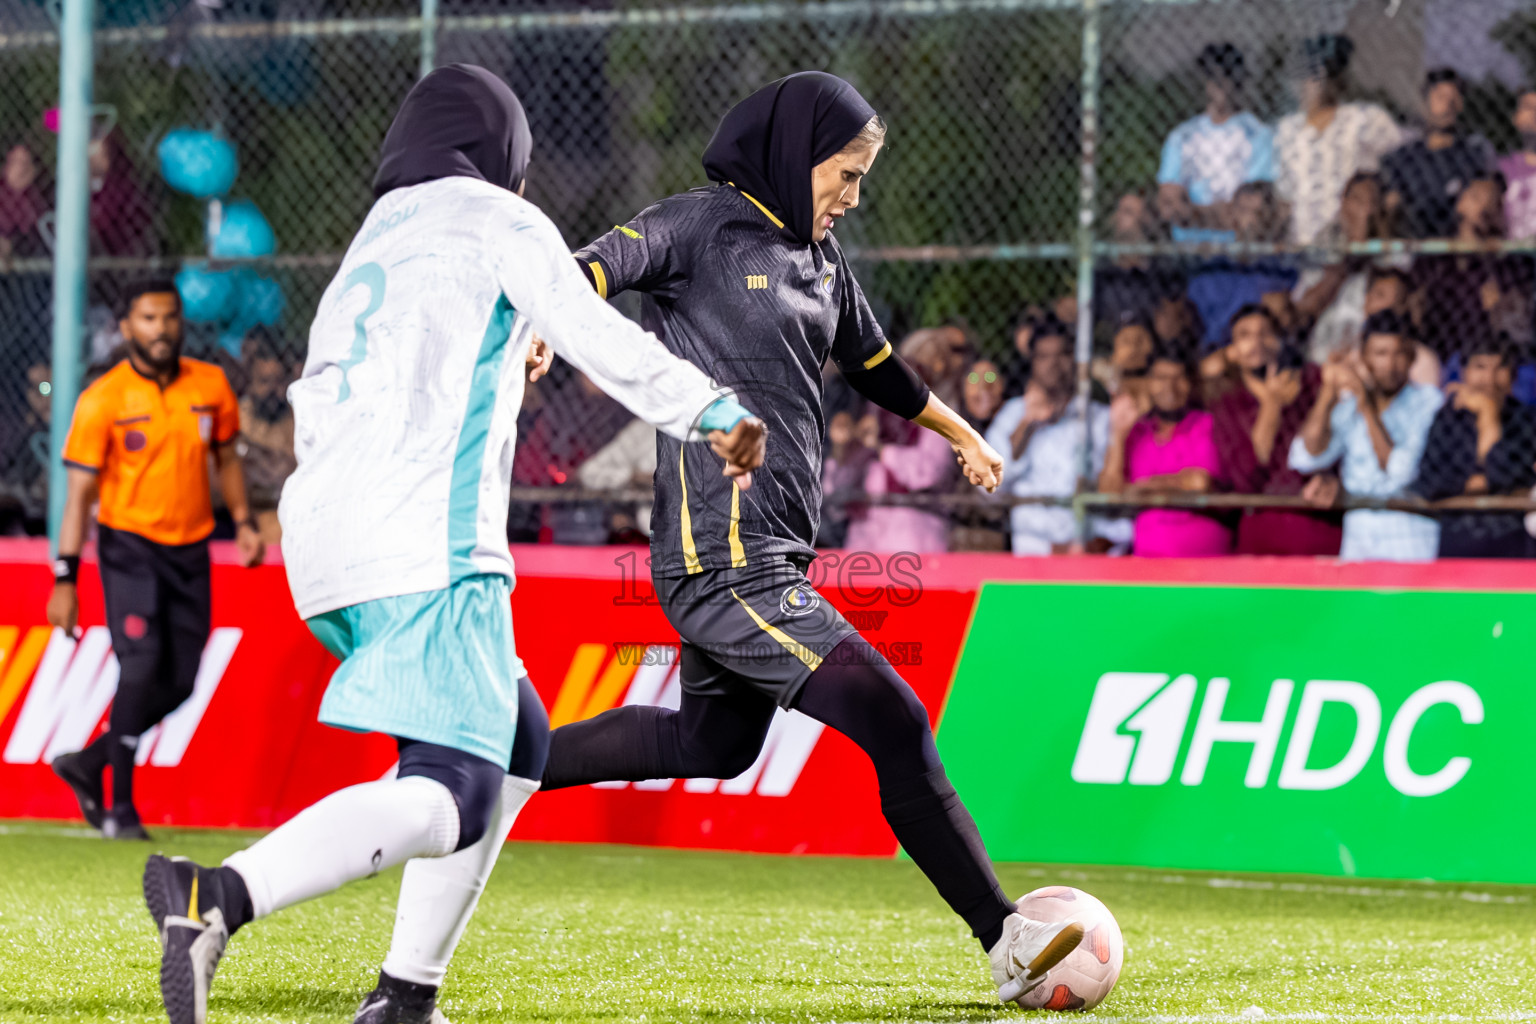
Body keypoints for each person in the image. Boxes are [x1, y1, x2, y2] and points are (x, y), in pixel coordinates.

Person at [135, 66, 767, 1024]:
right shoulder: (499, 219)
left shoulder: (377, 238)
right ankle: (216, 898)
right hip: (430, 542)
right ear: (501, 151)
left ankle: (405, 996)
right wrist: (710, 410)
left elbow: (419, 355)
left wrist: (517, 340)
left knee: (519, 741)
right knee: (456, 792)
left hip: (331, 544)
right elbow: (595, 329)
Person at [550, 71, 1082, 1007]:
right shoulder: (695, 226)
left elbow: (876, 365)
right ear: (796, 160)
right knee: (896, 717)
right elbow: (581, 273)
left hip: (774, 554)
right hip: (723, 560)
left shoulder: (821, 260)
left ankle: (499, 765)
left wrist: (960, 433)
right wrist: (546, 328)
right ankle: (1003, 938)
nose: (853, 196)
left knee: (714, 743)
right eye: (846, 174)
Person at [46, 280, 265, 842]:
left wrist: (242, 523)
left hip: (191, 548)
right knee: (140, 666)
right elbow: (78, 499)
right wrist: (64, 577)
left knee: (182, 681)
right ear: (126, 327)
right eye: (148, 318)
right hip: (129, 549)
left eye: (169, 318)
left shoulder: (210, 385)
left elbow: (227, 460)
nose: (161, 329)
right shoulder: (102, 399)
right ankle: (120, 808)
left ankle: (87, 763)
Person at [1289, 311, 1443, 561]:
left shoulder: (1429, 402)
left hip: (1410, 532)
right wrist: (1327, 393)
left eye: (1399, 354)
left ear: (1412, 356)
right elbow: (1307, 456)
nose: (1390, 365)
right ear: (1363, 357)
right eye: (1380, 354)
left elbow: (1399, 472)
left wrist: (1367, 408)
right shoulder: (1349, 403)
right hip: (1358, 532)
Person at [1209, 304, 1342, 555]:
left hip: (1317, 527)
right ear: (1232, 352)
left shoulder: (1312, 382)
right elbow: (1247, 478)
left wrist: (1332, 479)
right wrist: (1272, 405)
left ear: (1280, 341)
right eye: (1245, 335)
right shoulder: (1227, 402)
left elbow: (1333, 452)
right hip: (1261, 533)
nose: (1257, 342)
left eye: (1265, 333)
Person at [986, 328, 1125, 555]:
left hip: (1086, 553)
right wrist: (1027, 425)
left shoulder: (1099, 417)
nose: (1053, 364)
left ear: (1076, 359)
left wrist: (1097, 544)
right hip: (1031, 552)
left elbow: (1111, 489)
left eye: (1062, 354)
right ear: (1032, 363)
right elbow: (988, 486)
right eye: (1043, 356)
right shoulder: (1012, 414)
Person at [1274, 35, 1405, 246]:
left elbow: (1405, 169)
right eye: (1314, 73)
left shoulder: (1366, 119)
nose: (1323, 80)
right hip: (1301, 247)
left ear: (1343, 76)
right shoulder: (1287, 130)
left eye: (1332, 70)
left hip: (1354, 247)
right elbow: (1283, 198)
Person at [1099, 346, 1230, 556]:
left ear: (1191, 384)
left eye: (1179, 378)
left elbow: (1200, 483)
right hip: (1147, 555)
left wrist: (1141, 488)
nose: (1170, 387)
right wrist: (1118, 435)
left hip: (1202, 550)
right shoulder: (1137, 431)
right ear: (1149, 383)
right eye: (1161, 378)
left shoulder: (1205, 424)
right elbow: (1109, 493)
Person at [1414, 334, 1536, 557]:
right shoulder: (1447, 419)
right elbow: (1428, 484)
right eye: (1480, 367)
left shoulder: (1527, 420)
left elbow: (1521, 483)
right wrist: (1485, 483)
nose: (1489, 379)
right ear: (1464, 373)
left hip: (1513, 544)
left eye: (1500, 367)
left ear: (1514, 376)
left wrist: (1489, 420)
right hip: (1457, 542)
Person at [1157, 43, 1275, 243]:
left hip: (1239, 248)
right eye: (1213, 74)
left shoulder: (1259, 135)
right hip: (1187, 248)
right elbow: (1169, 205)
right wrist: (1221, 213)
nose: (1221, 82)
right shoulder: (1181, 136)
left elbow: (1253, 207)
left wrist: (1195, 214)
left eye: (1228, 74)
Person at [1413, 174, 1536, 364]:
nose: (1484, 209)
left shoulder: (1510, 266)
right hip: (1439, 356)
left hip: (1491, 358)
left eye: (1493, 203)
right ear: (1460, 203)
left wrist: (1499, 311)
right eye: (1477, 198)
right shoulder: (1432, 260)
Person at [1381, 69, 1496, 240]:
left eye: (1454, 99)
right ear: (1425, 102)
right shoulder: (1403, 157)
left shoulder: (1473, 155)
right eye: (1440, 97)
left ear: (1461, 105)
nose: (1448, 105)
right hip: (1410, 245)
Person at [1186, 182, 1297, 351]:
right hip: (1215, 354)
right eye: (1244, 211)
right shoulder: (1211, 271)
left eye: (1260, 213)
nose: (1251, 220)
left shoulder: (1282, 271)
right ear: (1232, 216)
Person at [236, 338, 296, 545]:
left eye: (278, 381)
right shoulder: (237, 419)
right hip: (249, 513)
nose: (272, 389)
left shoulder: (298, 420)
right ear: (250, 382)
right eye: (264, 381)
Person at [1498, 88, 1536, 241]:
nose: (1535, 113)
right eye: (1528, 107)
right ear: (1516, 118)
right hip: (1512, 256)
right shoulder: (1501, 168)